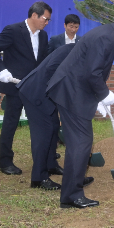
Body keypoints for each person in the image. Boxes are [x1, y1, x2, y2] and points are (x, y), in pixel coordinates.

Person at [46, 9, 114, 209]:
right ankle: (72, 196)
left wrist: (98, 98)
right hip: (71, 92)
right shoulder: (106, 37)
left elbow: (91, 69)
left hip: (75, 91)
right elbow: (92, 73)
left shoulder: (108, 34)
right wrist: (104, 95)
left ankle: (71, 193)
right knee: (81, 143)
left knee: (81, 143)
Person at [0, 1, 52, 175]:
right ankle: (5, 162)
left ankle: (46, 161)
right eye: (45, 19)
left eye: (48, 21)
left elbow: (43, 61)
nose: (46, 23)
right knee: (11, 123)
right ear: (34, 15)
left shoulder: (43, 36)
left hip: (34, 88)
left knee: (43, 124)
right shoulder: (13, 30)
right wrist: (1, 70)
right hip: (15, 86)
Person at [16, 43, 75, 191]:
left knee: (54, 127)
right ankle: (38, 177)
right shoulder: (70, 51)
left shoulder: (76, 51)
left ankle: (50, 165)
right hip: (35, 93)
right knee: (43, 134)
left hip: (45, 95)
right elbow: (52, 70)